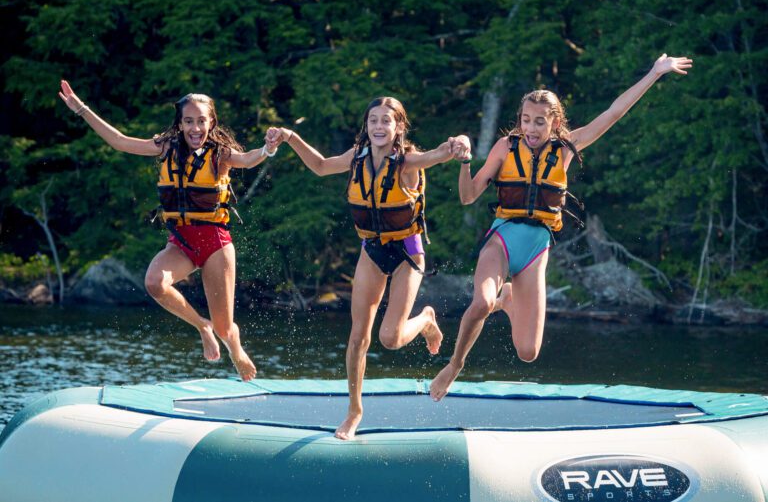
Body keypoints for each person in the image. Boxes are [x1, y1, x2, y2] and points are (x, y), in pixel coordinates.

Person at [430, 54, 693, 401]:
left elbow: (613, 113)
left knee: (528, 352)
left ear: (554, 124)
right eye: (526, 120)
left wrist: (654, 73)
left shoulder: (566, 148)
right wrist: (464, 163)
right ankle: (455, 366)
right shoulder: (505, 148)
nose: (531, 128)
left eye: (539, 122)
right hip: (502, 239)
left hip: (537, 248)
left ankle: (506, 298)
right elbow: (467, 197)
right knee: (479, 303)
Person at [265, 96, 471, 439]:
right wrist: (290, 137)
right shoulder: (356, 158)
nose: (378, 126)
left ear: (398, 127)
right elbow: (318, 165)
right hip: (372, 249)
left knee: (389, 339)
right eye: (373, 120)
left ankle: (425, 320)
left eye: (385, 121)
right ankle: (354, 410)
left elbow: (440, 153)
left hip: (407, 251)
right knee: (358, 336)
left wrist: (459, 143)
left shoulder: (407, 161)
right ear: (367, 126)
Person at [58, 80, 275, 381]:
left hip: (216, 243)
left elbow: (249, 159)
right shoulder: (166, 147)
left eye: (201, 121)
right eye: (189, 121)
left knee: (226, 327)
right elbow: (120, 141)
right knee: (155, 283)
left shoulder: (220, 154)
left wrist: (268, 148)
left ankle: (235, 348)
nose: (195, 128)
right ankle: (202, 326)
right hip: (182, 242)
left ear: (211, 122)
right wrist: (80, 109)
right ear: (180, 123)